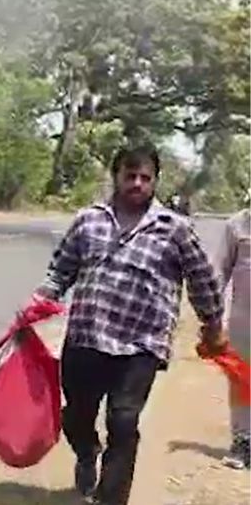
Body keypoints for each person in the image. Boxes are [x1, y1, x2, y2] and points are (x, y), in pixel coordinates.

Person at [30, 145, 227, 505]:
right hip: (87, 336)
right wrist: (42, 301)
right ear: (116, 176)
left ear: (154, 182)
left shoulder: (174, 229)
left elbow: (202, 278)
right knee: (76, 415)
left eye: (145, 178)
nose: (137, 183)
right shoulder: (89, 220)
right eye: (130, 176)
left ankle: (111, 497)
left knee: (123, 421)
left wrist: (212, 323)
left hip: (141, 344)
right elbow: (61, 269)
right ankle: (87, 452)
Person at [216, 207, 250, 469]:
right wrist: (213, 317)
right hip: (244, 320)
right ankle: (243, 442)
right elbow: (220, 272)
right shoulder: (237, 225)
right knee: (242, 382)